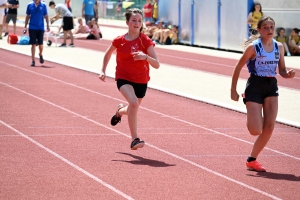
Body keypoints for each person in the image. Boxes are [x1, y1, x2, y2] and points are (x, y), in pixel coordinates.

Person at [230, 16, 295, 172]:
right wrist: (233, 90)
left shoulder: (279, 47)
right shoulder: (253, 47)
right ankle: (252, 108)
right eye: (265, 27)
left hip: (271, 85)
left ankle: (252, 160)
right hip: (255, 85)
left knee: (270, 127)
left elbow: (282, 71)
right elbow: (238, 67)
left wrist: (288, 74)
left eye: (271, 27)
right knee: (255, 130)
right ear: (259, 30)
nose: (269, 30)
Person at [99, 8, 160, 150]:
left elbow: (156, 64)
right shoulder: (119, 40)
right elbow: (107, 54)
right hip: (123, 77)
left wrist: (145, 57)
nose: (137, 23)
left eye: (139, 20)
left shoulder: (145, 41)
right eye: (133, 20)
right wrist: (103, 70)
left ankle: (119, 111)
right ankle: (134, 139)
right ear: (127, 22)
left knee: (133, 107)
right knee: (133, 103)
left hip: (141, 80)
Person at [24, 0, 50, 67]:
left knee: (40, 45)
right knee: (33, 44)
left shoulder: (43, 5)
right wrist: (25, 26)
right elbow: (27, 16)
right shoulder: (29, 5)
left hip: (40, 27)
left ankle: (40, 54)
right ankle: (33, 60)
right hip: (32, 27)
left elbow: (46, 16)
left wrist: (47, 25)